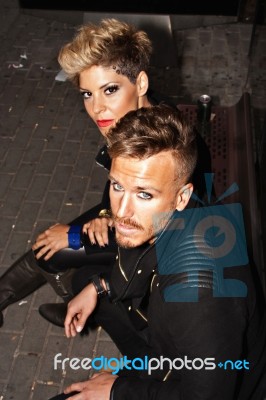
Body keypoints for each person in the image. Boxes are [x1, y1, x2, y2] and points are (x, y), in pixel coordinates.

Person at [0, 19, 211, 328]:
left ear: (140, 84)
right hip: (141, 220)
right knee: (51, 241)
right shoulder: (141, 116)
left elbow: (159, 234)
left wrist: (76, 234)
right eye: (88, 94)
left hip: (168, 245)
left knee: (54, 251)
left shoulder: (160, 147)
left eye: (109, 90)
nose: (97, 108)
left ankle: (91, 303)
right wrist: (103, 212)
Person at [50, 104, 266, 400]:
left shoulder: (201, 293)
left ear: (182, 196)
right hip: (167, 352)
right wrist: (99, 285)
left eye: (144, 194)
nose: (122, 211)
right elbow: (141, 265)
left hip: (196, 381)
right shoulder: (182, 215)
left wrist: (117, 390)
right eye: (117, 186)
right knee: (85, 280)